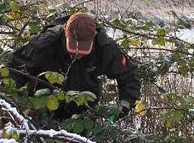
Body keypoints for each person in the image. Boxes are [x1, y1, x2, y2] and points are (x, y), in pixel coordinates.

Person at [8, 12, 141, 119]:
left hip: (83, 115)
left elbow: (129, 75)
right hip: (42, 111)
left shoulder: (105, 48)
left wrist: (123, 106)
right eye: (73, 49)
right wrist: (13, 104)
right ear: (66, 34)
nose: (77, 54)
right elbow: (14, 70)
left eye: (83, 51)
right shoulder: (44, 44)